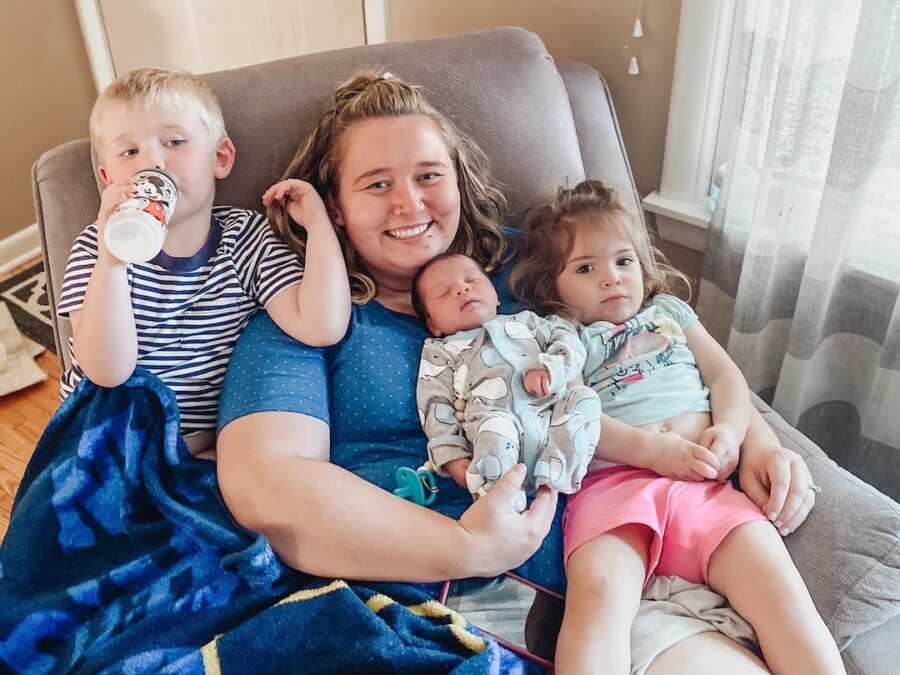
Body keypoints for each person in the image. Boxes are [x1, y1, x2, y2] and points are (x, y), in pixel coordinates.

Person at [215, 71, 823, 674]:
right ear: (336, 209)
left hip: (638, 574)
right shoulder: (305, 318)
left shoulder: (537, 268)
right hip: (426, 606)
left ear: (459, 181)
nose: (410, 203)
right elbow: (263, 483)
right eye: (376, 185)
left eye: (429, 175)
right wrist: (466, 548)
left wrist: (757, 441)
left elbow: (660, 347)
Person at [510, 179, 844, 674]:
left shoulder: (670, 314)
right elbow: (574, 419)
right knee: (597, 598)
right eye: (586, 268)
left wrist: (730, 433)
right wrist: (651, 451)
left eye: (623, 261)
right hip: (613, 490)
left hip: (705, 487)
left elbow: (726, 376)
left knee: (781, 593)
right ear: (551, 287)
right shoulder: (563, 338)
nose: (612, 278)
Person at [57, 68, 350, 454]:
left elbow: (321, 327)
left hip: (209, 449)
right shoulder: (97, 249)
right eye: (130, 152)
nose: (154, 163)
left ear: (221, 157)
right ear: (108, 178)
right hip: (108, 441)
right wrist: (113, 261)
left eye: (174, 141)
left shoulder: (245, 239)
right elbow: (107, 372)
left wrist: (318, 226)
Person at [411, 252, 602, 510]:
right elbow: (434, 404)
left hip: (549, 422)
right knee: (495, 427)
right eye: (444, 293)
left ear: (496, 295)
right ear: (433, 324)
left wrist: (550, 369)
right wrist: (450, 454)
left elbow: (569, 342)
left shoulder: (529, 323)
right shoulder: (442, 350)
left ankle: (554, 481)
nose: (462, 289)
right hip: (493, 429)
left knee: (585, 399)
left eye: (472, 280)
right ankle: (502, 502)